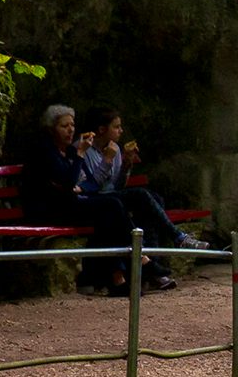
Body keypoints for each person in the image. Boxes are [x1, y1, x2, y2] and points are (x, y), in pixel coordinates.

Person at [20, 104, 179, 292]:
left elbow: (90, 184)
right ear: (51, 128)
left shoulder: (69, 152)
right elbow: (68, 181)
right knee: (111, 206)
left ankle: (118, 279)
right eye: (64, 126)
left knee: (112, 211)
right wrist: (80, 156)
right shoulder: (47, 151)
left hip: (72, 202)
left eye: (72, 125)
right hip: (50, 209)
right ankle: (141, 259)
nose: (71, 130)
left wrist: (80, 184)